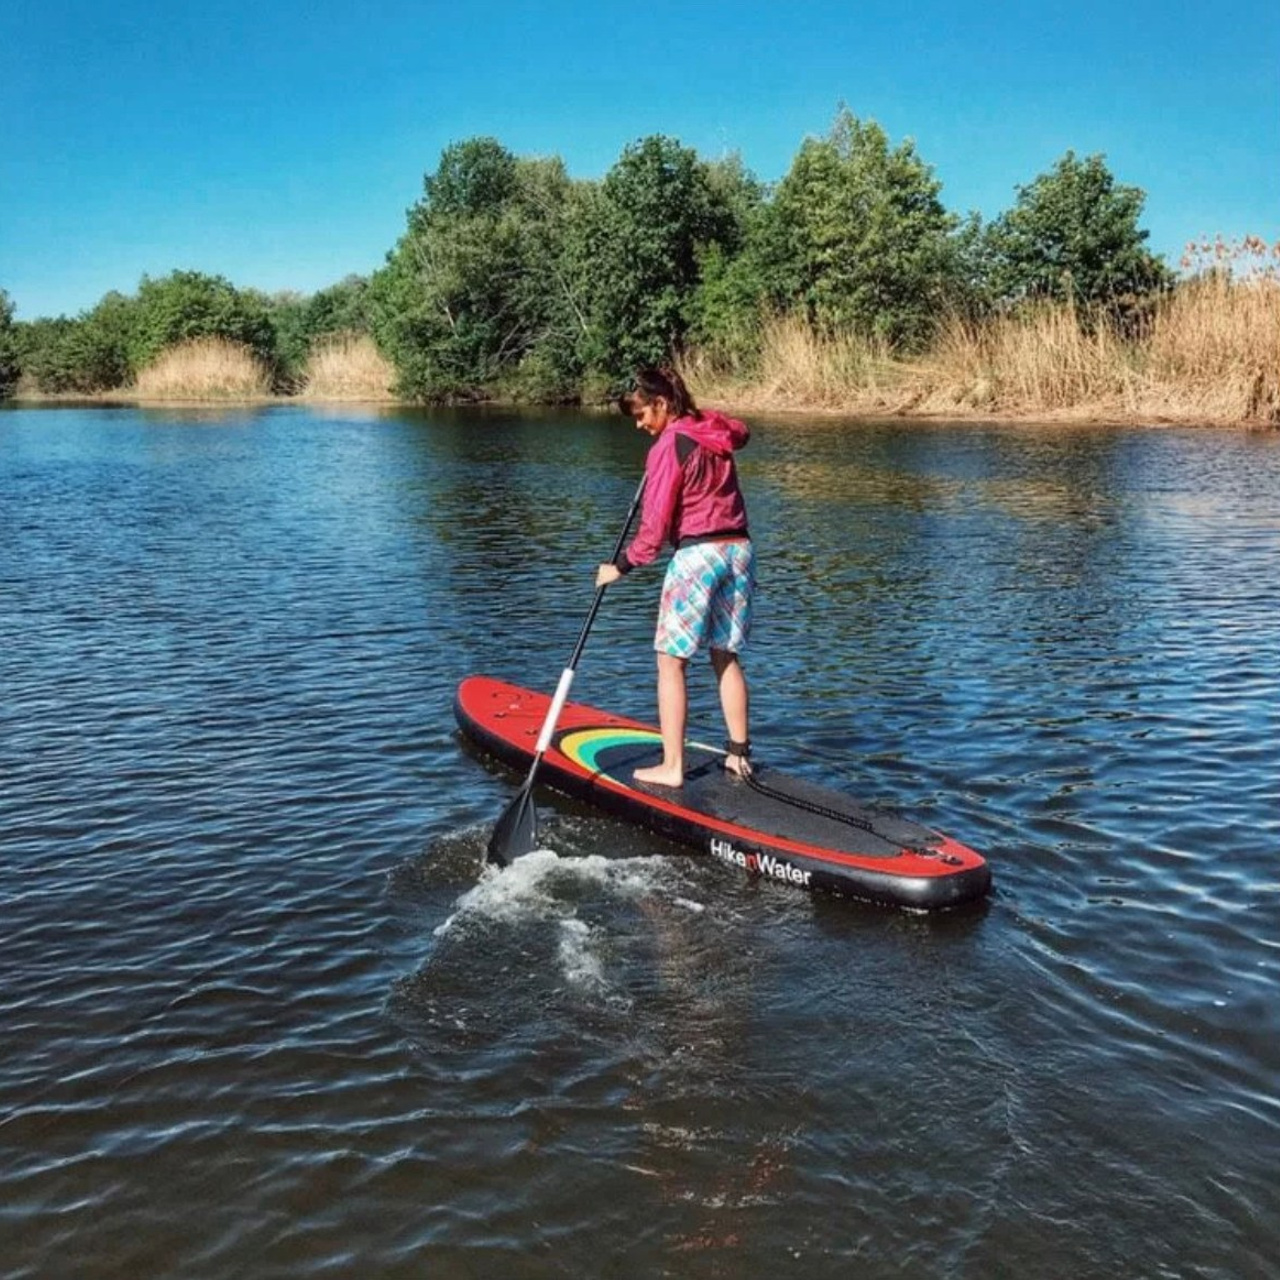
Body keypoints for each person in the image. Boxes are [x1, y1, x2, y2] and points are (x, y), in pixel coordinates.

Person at [595, 367, 756, 788]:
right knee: (725, 654)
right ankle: (738, 756)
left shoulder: (669, 445)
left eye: (642, 413)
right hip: (739, 550)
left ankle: (671, 767)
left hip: (698, 555)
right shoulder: (711, 429)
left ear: (662, 404)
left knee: (670, 661)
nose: (639, 424)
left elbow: (654, 526)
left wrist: (622, 566)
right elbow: (740, 430)